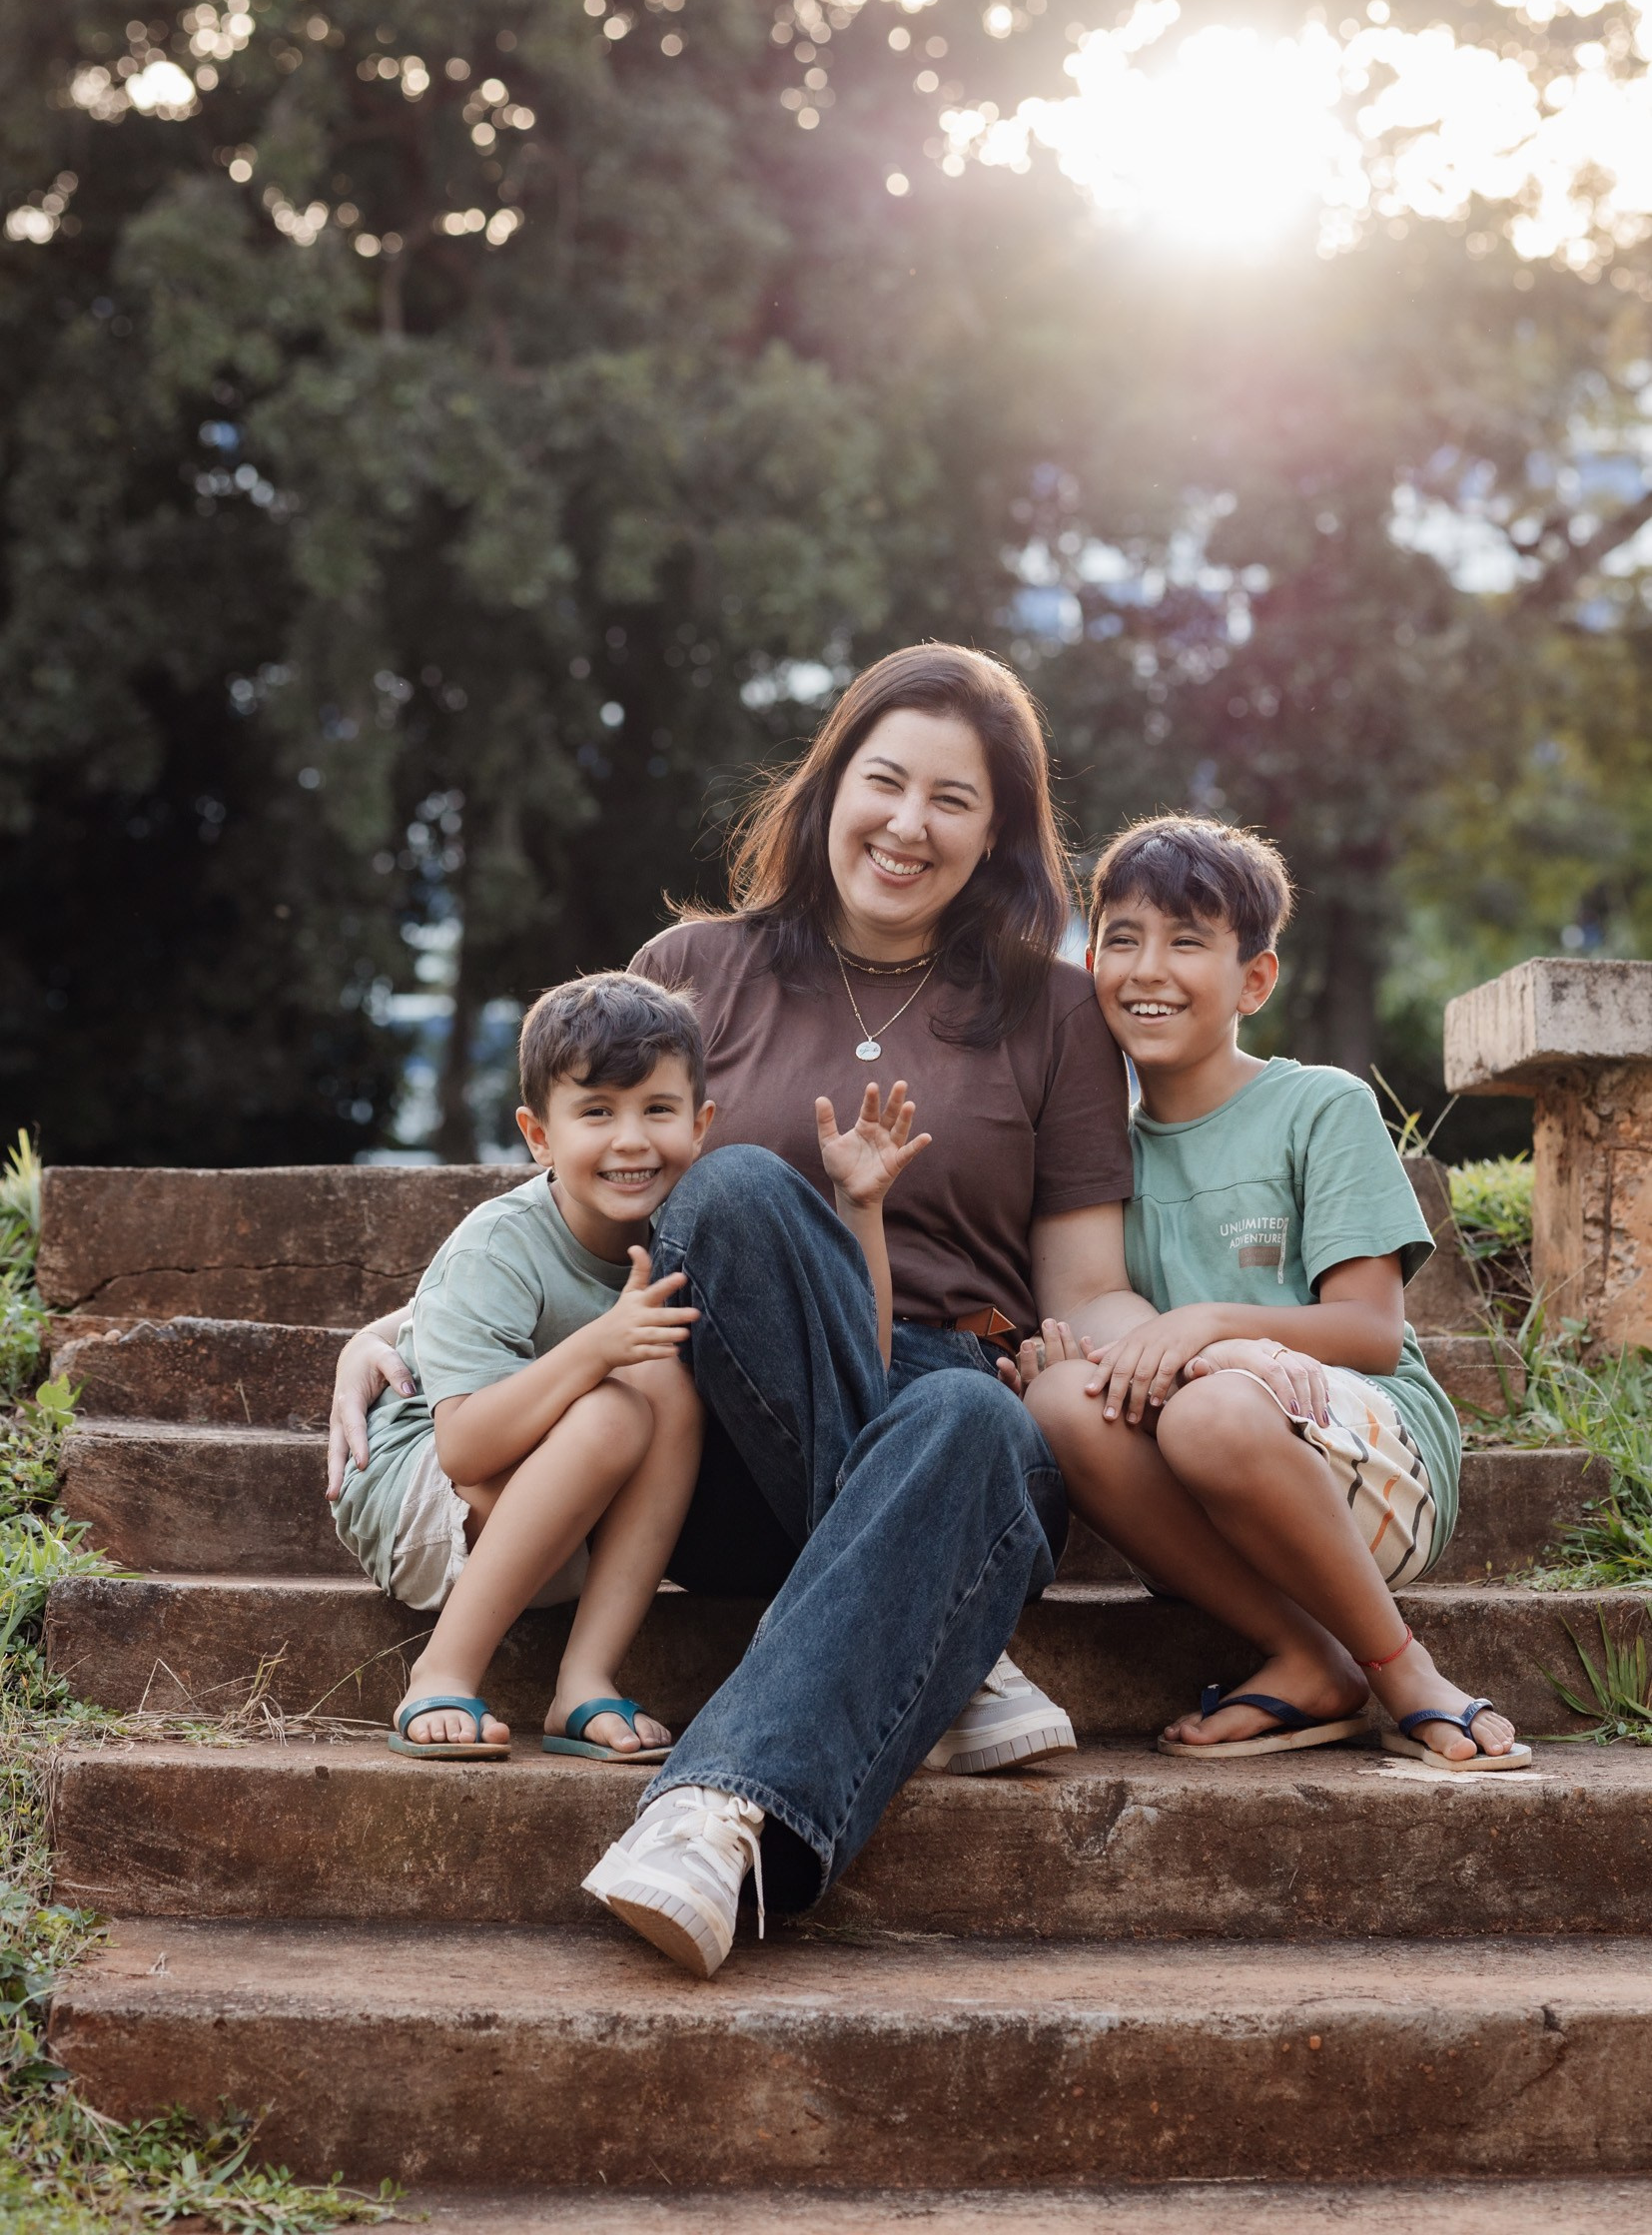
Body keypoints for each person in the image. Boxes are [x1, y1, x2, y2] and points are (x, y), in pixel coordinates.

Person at [334, 645, 1243, 1973]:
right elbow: (584, 1183)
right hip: (715, 1432)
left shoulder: (1052, 1009)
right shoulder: (694, 967)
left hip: (954, 1418)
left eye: (953, 799)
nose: (907, 825)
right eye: (883, 781)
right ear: (827, 790)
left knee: (962, 1421)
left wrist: (1224, 1339)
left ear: (997, 833)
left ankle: (711, 1819)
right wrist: (406, 1331)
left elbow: (1087, 1290)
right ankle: (946, 1628)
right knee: (739, 1192)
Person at [1019, 814, 1530, 1773]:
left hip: (1368, 1472)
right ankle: (1309, 1656)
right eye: (1121, 938)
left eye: (1186, 941)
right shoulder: (1097, 1153)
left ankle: (1402, 1667)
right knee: (1059, 1400)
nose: (1146, 968)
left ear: (1255, 978)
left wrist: (1211, 1324)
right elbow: (1098, 1324)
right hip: (1206, 1499)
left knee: (1212, 1411)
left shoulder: (1317, 1104)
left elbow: (1373, 1332)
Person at [333, 973, 709, 1761]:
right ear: (538, 1135)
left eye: (658, 1110)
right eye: (597, 1112)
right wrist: (597, 1346)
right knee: (616, 1402)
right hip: (422, 1500)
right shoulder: (499, 1244)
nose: (632, 1140)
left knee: (661, 1384)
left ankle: (584, 1683)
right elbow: (463, 1449)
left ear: (701, 1124)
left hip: (564, 1523)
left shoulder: (697, 1229)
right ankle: (442, 1669)